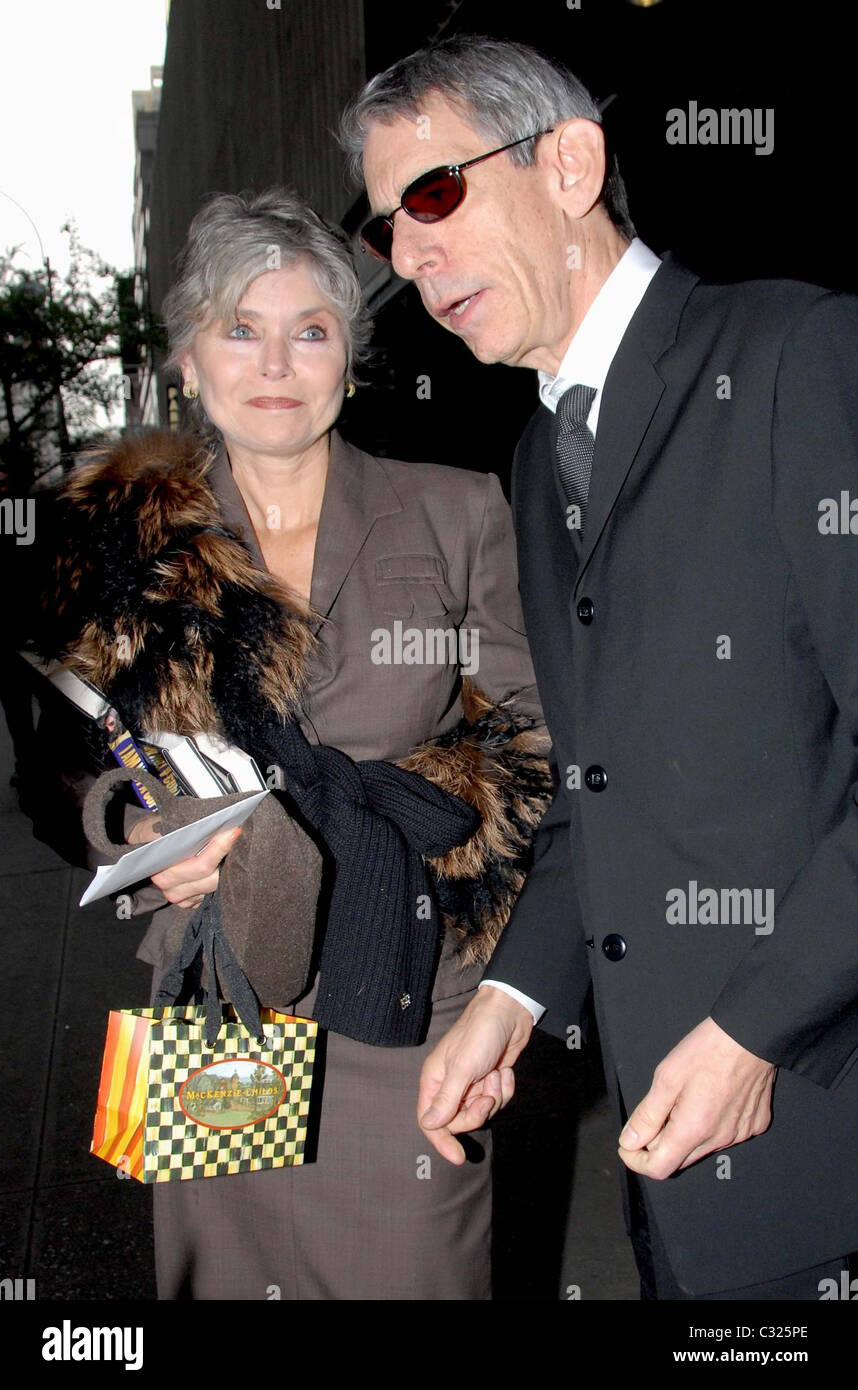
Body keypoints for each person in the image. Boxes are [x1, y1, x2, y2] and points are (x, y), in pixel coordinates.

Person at [341, 34, 858, 1300]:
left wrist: (754, 1033)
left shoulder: (796, 354)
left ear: (569, 163)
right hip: (671, 1171)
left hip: (819, 1130)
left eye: (431, 194)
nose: (405, 256)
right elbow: (597, 790)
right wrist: (511, 999)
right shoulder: (534, 457)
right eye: (384, 227)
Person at [34, 186, 550, 1300]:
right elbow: (70, 755)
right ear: (186, 355)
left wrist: (505, 973)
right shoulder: (131, 538)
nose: (275, 362)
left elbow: (537, 742)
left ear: (348, 358)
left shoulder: (457, 508)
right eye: (239, 327)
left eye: (309, 329)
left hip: (413, 981)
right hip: (224, 982)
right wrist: (131, 828)